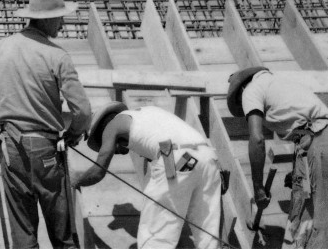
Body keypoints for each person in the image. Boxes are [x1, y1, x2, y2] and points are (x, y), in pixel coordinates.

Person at [0, 0, 91, 249]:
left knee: (23, 233)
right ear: (45, 19)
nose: (62, 23)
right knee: (63, 234)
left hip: (12, 150)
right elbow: (82, 111)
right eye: (59, 17)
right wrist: (74, 133)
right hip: (46, 152)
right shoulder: (57, 55)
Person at [75, 101, 221, 248]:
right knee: (209, 235)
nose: (118, 151)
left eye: (112, 146)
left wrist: (75, 182)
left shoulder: (111, 126)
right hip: (208, 156)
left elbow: (98, 172)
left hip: (177, 158)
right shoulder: (147, 114)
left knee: (155, 237)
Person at [228, 66, 328, 247]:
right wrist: (299, 171)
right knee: (303, 212)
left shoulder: (250, 90)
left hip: (319, 141)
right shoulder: (278, 82)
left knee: (319, 222)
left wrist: (258, 188)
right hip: (314, 141)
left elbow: (257, 139)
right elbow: (305, 130)